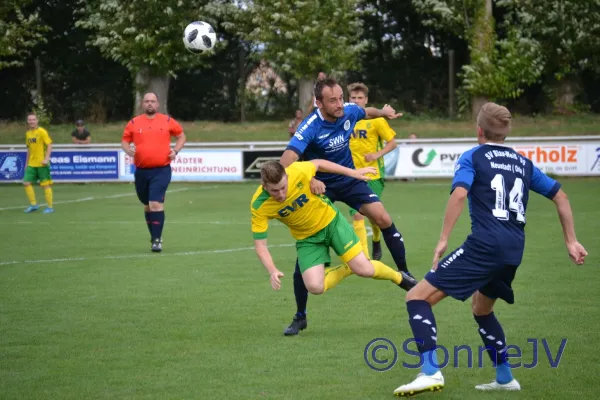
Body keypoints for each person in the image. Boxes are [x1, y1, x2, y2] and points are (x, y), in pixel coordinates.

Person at [392, 102, 588, 396]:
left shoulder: (473, 156)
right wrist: (571, 240)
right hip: (513, 249)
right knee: (482, 308)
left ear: (479, 130)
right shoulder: (523, 163)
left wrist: (444, 239)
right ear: (505, 133)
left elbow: (460, 194)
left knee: (416, 298)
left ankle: (430, 372)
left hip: (485, 246)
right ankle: (505, 377)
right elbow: (560, 195)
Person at [280, 77, 413, 336]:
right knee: (306, 251)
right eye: (333, 100)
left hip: (348, 179)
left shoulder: (348, 111)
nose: (341, 104)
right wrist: (310, 178)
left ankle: (405, 274)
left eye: (341, 98)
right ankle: (300, 315)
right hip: (320, 188)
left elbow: (366, 111)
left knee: (382, 217)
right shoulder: (309, 127)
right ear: (318, 103)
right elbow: (285, 162)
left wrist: (383, 112)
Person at [251, 160, 416, 299]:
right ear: (264, 186)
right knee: (315, 287)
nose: (281, 194)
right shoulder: (259, 206)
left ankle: (400, 278)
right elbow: (261, 246)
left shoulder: (297, 171)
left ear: (287, 177)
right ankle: (348, 267)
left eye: (283, 187)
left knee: (364, 269)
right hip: (307, 239)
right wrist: (272, 271)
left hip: (331, 223)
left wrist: (353, 173)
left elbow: (319, 163)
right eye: (275, 190)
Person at [121, 92, 187, 252]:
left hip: (161, 170)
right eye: (147, 101)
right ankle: (154, 236)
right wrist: (128, 149)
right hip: (141, 171)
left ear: (158, 104)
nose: (150, 104)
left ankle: (157, 240)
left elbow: (181, 136)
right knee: (147, 205)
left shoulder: (167, 121)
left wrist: (175, 151)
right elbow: (124, 140)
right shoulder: (134, 123)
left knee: (155, 204)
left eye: (153, 101)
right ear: (142, 104)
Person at [348, 82, 398, 261]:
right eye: (353, 98)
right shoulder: (345, 120)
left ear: (366, 100)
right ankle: (363, 257)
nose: (356, 101)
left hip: (373, 174)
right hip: (351, 174)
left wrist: (377, 154)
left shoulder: (377, 121)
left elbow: (392, 143)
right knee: (357, 214)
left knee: (373, 216)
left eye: (359, 98)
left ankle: (376, 239)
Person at [23, 113, 54, 213]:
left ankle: (50, 207)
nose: (31, 121)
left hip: (42, 163)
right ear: (27, 122)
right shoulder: (28, 133)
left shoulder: (42, 132)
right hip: (32, 163)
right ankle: (33, 205)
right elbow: (29, 149)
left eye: (33, 119)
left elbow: (49, 145)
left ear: (37, 121)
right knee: (26, 182)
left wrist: (46, 159)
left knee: (45, 185)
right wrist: (26, 163)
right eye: (29, 120)